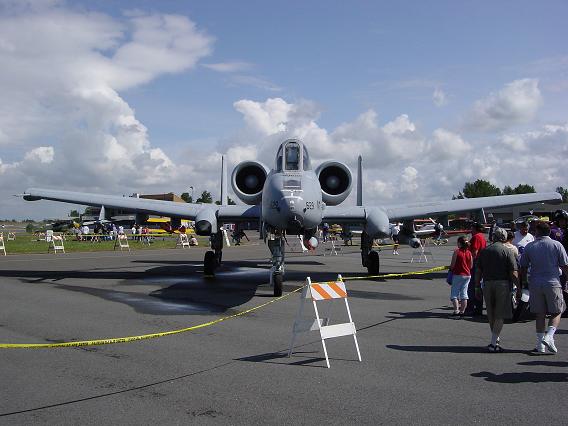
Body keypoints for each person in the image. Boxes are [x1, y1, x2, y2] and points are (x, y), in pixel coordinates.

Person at [520, 221, 568, 354]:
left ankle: (540, 345)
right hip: (552, 282)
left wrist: (524, 281)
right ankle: (550, 335)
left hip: (535, 282)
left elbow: (523, 266)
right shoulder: (556, 244)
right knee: (557, 311)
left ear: (537, 232)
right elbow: (564, 265)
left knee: (539, 314)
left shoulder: (530, 246)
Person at [475, 227, 518, 352]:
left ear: (493, 237)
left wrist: (477, 286)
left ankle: (495, 338)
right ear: (504, 238)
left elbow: (478, 271)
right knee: (500, 313)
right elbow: (513, 272)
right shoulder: (507, 251)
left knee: (491, 313)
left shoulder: (484, 251)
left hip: (487, 284)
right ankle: (494, 343)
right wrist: (519, 287)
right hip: (503, 284)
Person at [466, 222, 487, 315]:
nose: (471, 230)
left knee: (472, 286)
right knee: (478, 286)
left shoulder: (476, 237)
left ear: (475, 228)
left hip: (475, 263)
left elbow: (474, 252)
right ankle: (478, 307)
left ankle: (472, 307)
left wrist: (468, 262)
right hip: (482, 262)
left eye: (472, 228)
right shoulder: (482, 236)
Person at [449, 236, 473, 316]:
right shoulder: (469, 252)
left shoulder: (457, 252)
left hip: (458, 274)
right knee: (464, 293)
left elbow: (452, 265)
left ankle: (456, 310)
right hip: (467, 275)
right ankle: (462, 311)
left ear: (459, 243)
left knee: (454, 294)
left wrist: (451, 269)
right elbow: (471, 266)